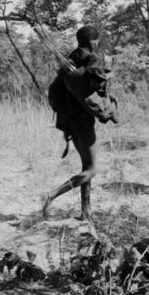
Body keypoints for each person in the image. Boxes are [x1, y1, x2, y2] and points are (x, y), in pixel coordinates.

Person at [43, 25, 117, 220]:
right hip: (83, 121)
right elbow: (97, 80)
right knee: (92, 169)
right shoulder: (91, 58)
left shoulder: (70, 59)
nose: (97, 44)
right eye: (97, 40)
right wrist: (109, 70)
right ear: (93, 41)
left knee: (85, 166)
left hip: (69, 122)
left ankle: (85, 211)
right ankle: (53, 194)